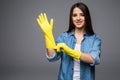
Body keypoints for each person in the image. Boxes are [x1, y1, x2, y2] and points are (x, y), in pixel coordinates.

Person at [37, 2, 101, 80]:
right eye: (75, 15)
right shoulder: (64, 37)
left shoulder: (95, 39)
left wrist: (69, 51)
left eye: (82, 14)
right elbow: (52, 57)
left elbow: (94, 59)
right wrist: (48, 35)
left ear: (87, 17)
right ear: (71, 18)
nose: (78, 18)